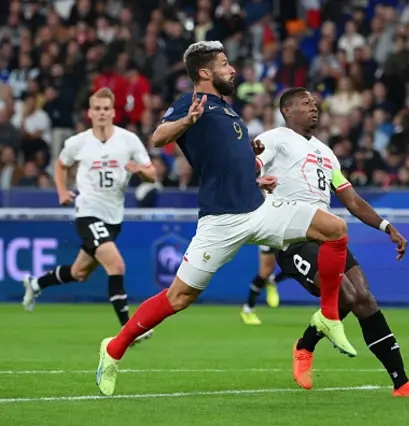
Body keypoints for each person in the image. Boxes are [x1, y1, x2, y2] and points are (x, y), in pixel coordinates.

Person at [95, 41, 356, 396]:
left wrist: (254, 177)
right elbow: (157, 138)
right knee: (178, 298)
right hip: (221, 220)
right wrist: (187, 120)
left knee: (335, 229)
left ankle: (328, 316)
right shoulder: (192, 103)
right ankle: (113, 350)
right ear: (205, 73)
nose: (232, 69)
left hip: (259, 208)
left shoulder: (226, 108)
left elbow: (228, 160)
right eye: (225, 64)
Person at [256, 87, 409, 398]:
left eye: (314, 103)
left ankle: (402, 384)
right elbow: (251, 162)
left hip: (328, 234)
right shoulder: (274, 138)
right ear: (287, 111)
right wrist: (256, 177)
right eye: (305, 103)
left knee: (364, 298)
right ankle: (305, 345)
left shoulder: (326, 153)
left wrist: (387, 227)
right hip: (293, 236)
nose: (313, 107)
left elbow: (352, 200)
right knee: (348, 296)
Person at [21, 88, 157, 346]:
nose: (102, 113)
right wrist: (61, 191)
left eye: (107, 108)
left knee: (79, 272)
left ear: (113, 112)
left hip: (113, 218)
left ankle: (36, 283)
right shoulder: (78, 142)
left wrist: (140, 170)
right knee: (116, 265)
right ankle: (130, 330)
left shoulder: (128, 140)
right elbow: (61, 165)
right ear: (90, 113)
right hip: (88, 212)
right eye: (98, 109)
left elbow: (152, 174)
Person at [240, 245, 289, 325]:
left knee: (293, 265)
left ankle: (273, 281)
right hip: (269, 235)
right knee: (265, 272)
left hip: (291, 235)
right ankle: (248, 310)